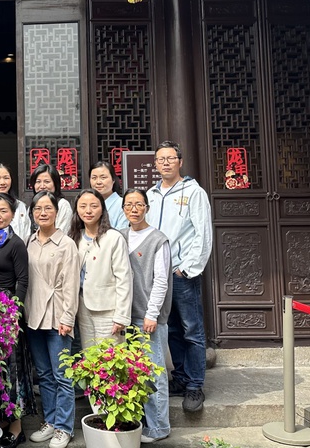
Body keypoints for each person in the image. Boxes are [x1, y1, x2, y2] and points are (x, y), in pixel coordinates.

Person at [146, 140, 212, 413]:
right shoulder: (150, 195)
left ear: (180, 161)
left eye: (170, 158)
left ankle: (195, 385)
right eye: (160, 159)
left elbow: (202, 233)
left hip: (182, 273)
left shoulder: (194, 192)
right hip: (159, 275)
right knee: (171, 328)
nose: (165, 163)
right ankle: (181, 377)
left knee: (191, 330)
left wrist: (187, 268)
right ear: (155, 164)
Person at [0, 192, 34, 448]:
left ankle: (16, 426)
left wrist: (13, 314)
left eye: (3, 211)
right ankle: (1, 419)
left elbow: (23, 281)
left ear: (12, 214)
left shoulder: (16, 244)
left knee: (13, 369)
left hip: (8, 312)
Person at [25, 191, 81, 448]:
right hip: (34, 317)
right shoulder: (29, 241)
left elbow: (71, 284)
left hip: (58, 317)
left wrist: (68, 317)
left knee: (62, 376)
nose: (43, 213)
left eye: (48, 208)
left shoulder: (66, 244)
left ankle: (64, 427)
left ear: (57, 212)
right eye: (38, 208)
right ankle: (50, 421)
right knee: (45, 375)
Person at [120, 188, 172, 443]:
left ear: (147, 208)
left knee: (154, 373)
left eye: (139, 204)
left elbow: (161, 280)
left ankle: (159, 427)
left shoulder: (158, 240)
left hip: (147, 317)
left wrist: (152, 314)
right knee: (133, 372)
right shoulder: (120, 236)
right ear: (123, 209)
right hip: (125, 315)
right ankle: (141, 423)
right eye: (129, 204)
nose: (134, 209)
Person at [70, 189, 132, 349]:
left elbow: (124, 279)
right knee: (89, 355)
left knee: (109, 356)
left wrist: (121, 316)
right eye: (83, 206)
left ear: (102, 209)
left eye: (94, 206)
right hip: (83, 307)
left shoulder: (113, 238)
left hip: (108, 309)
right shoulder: (75, 238)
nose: (88, 211)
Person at [30, 164, 72, 234]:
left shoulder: (62, 205)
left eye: (47, 182)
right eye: (38, 182)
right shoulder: (32, 205)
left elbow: (62, 233)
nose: (42, 186)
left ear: (55, 184)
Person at [89, 161, 128, 230]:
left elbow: (122, 232)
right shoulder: (87, 204)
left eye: (103, 177)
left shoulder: (123, 204)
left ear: (113, 180)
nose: (98, 182)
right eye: (94, 178)